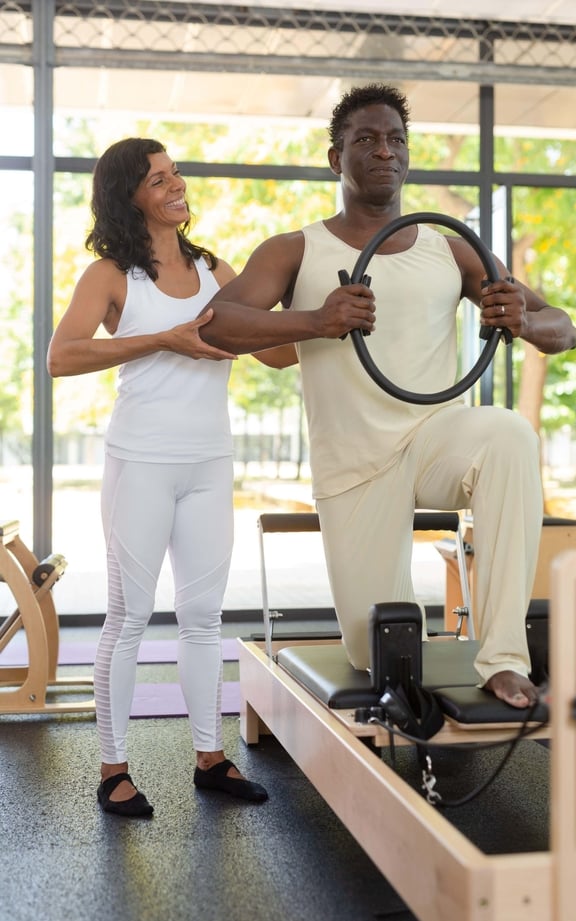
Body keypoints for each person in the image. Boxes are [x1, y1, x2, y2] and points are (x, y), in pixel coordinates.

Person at [194, 83, 576, 710]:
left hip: (435, 441)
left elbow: (564, 327)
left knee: (509, 433)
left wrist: (526, 322)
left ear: (408, 154)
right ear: (335, 158)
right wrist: (317, 320)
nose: (384, 150)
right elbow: (215, 326)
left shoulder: (452, 249)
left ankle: (504, 658)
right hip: (354, 464)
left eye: (396, 139)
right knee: (374, 651)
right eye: (366, 139)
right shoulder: (295, 249)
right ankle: (399, 650)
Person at [46, 138, 369, 817]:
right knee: (129, 616)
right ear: (129, 196)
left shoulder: (213, 268)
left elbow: (273, 352)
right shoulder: (110, 275)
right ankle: (113, 770)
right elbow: (62, 356)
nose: (176, 185)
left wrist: (327, 320)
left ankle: (209, 757)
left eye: (175, 174)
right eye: (158, 179)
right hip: (140, 460)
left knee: (202, 616)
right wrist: (163, 339)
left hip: (209, 462)